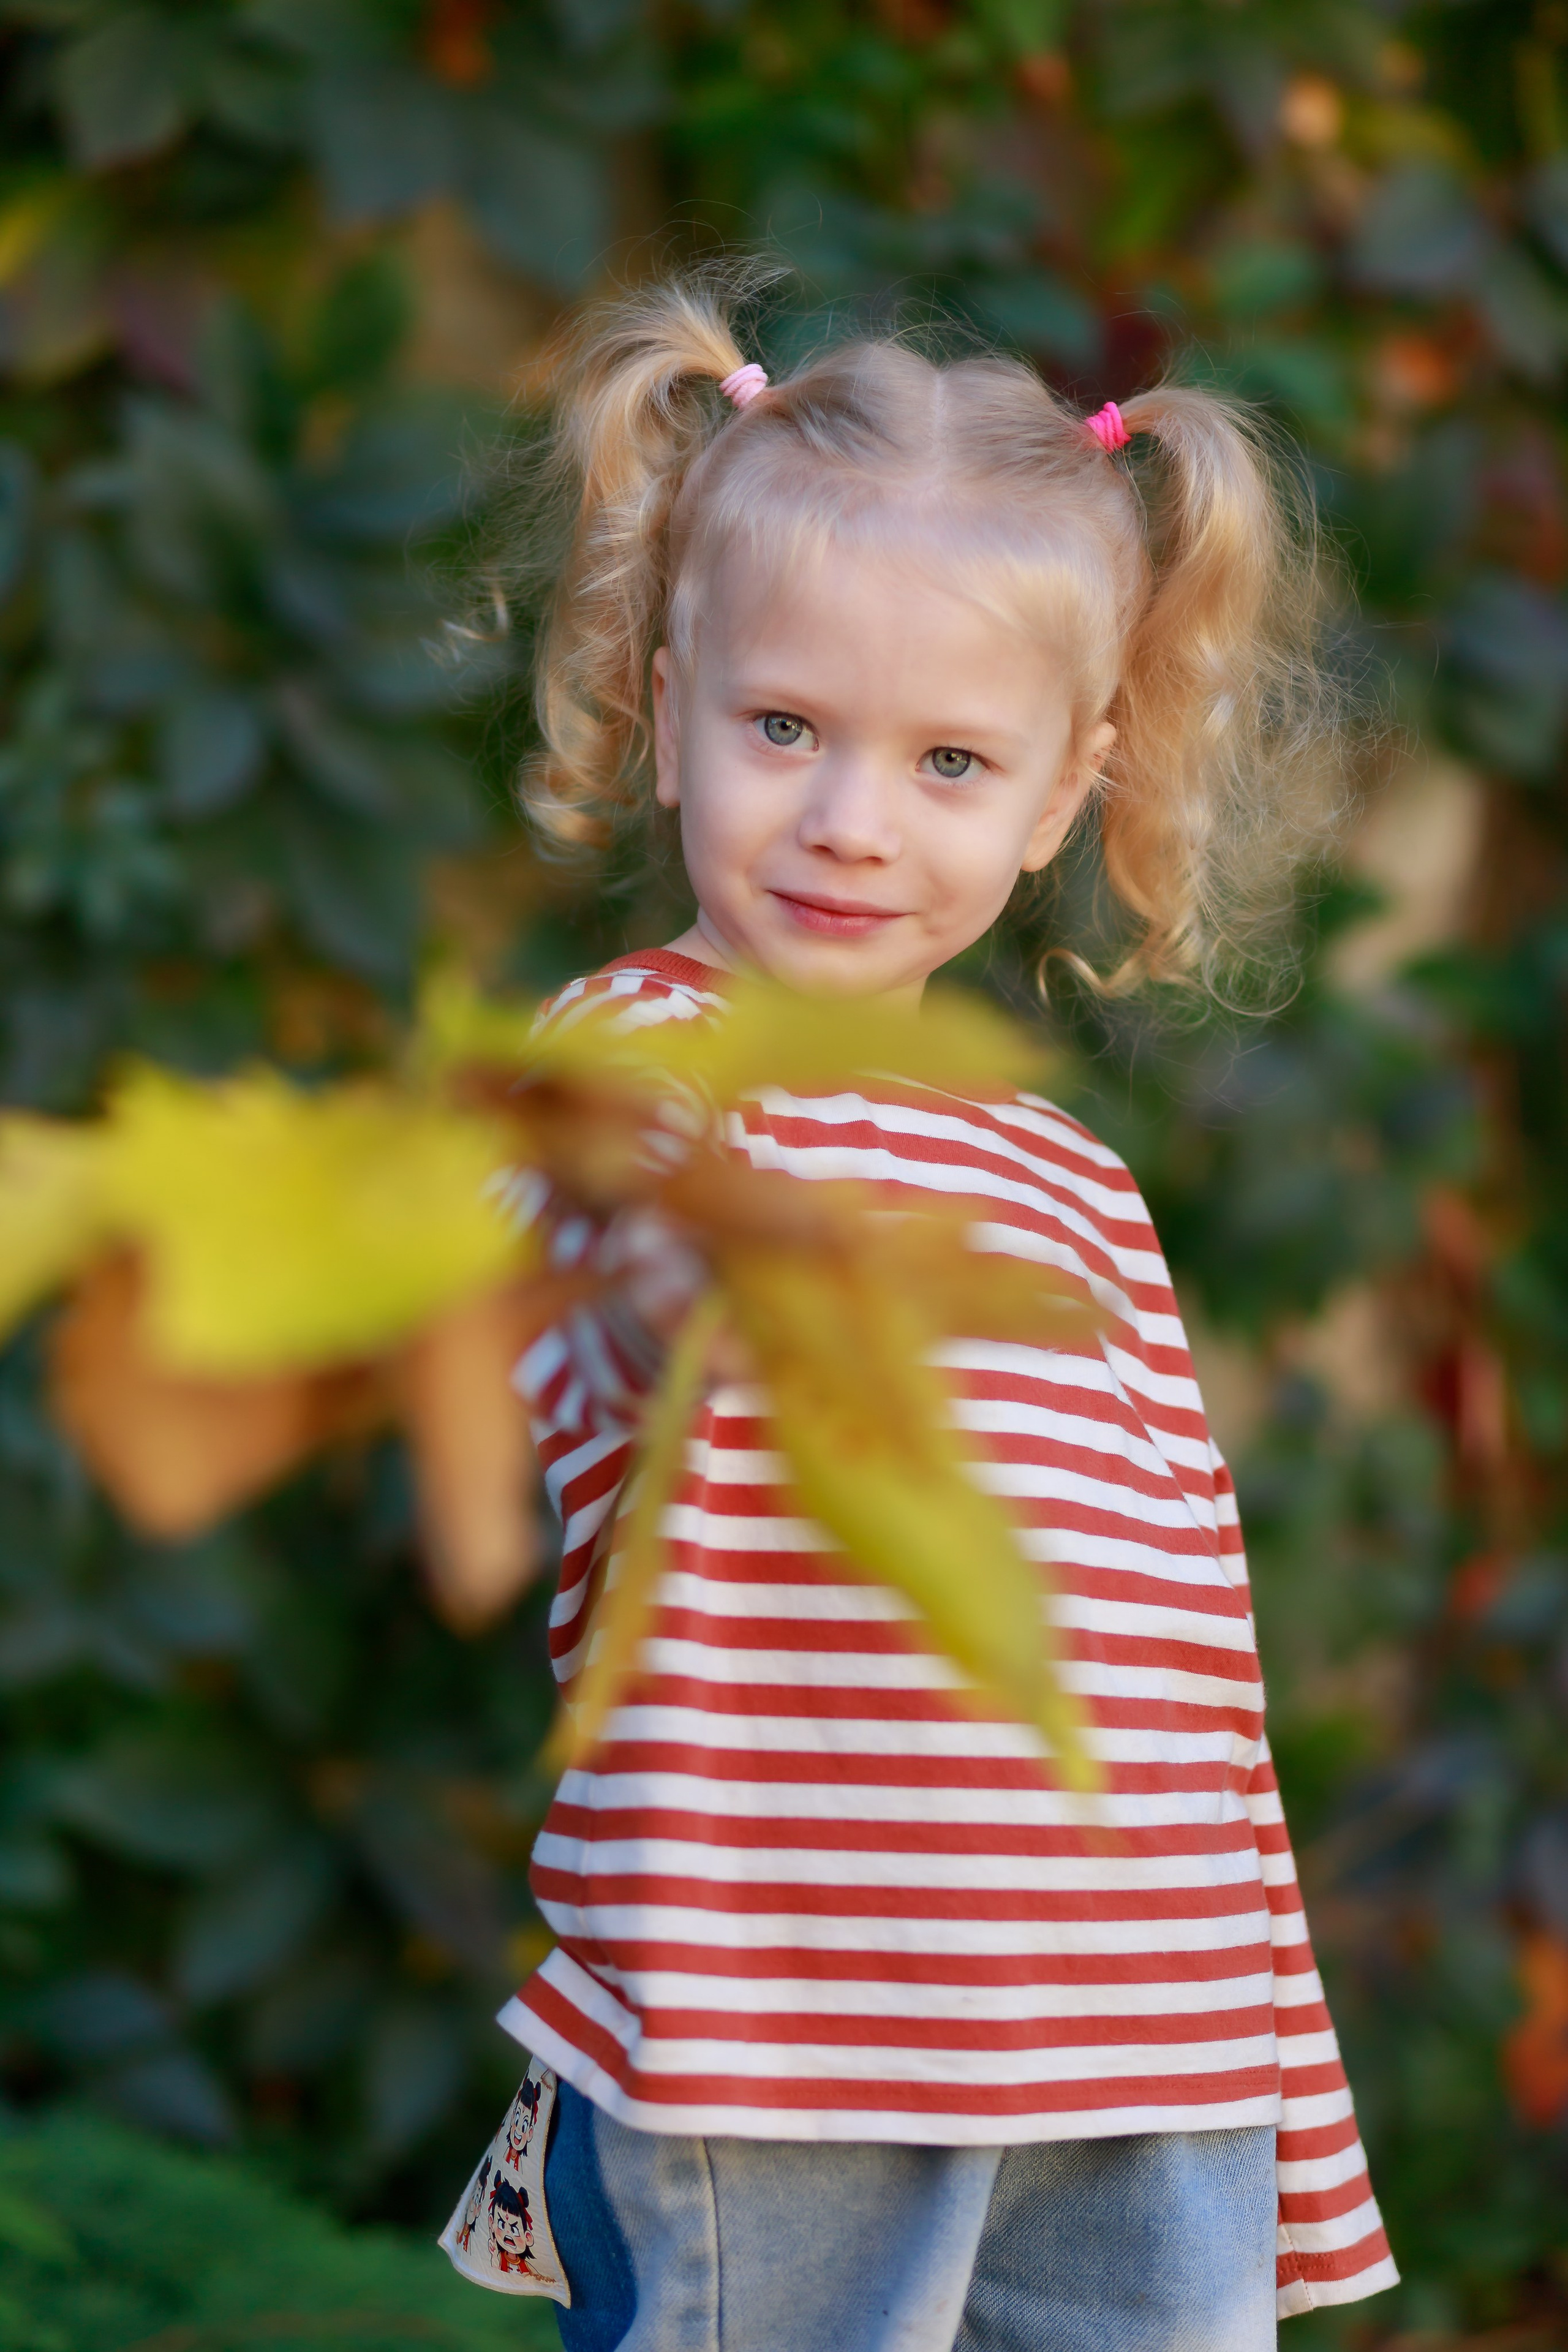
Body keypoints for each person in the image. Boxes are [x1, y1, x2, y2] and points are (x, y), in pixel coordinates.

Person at [456, 271, 1399, 2351]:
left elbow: (1189, 1664)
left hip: (1131, 2034)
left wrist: (1265, 2058)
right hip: (786, 2026)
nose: (853, 820)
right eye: (785, 727)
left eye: (950, 760)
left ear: (1064, 797)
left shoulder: (1068, 1176)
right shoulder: (631, 1060)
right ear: (665, 684)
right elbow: (584, 1304)